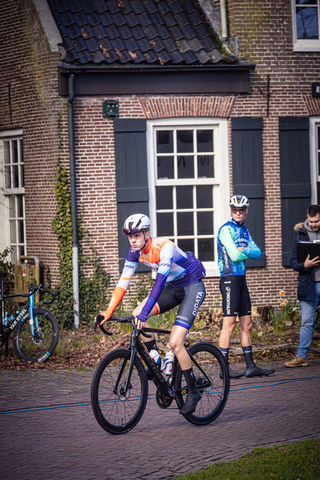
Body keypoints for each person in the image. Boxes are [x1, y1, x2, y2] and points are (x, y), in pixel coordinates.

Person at [99, 213, 206, 414]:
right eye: (129, 236)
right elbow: (123, 283)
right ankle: (156, 358)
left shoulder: (164, 247)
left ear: (147, 234)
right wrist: (108, 311)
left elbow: (160, 282)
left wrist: (146, 311)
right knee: (136, 313)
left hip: (192, 285)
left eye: (137, 235)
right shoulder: (134, 252)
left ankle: (193, 392)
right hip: (173, 287)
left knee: (175, 342)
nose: (132, 240)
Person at [217, 195, 275, 378]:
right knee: (229, 324)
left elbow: (258, 253)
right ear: (231, 210)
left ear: (246, 211)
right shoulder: (225, 230)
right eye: (235, 210)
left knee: (247, 324)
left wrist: (244, 250)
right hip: (229, 279)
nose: (238, 213)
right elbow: (234, 256)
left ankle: (250, 366)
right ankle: (223, 369)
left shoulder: (245, 231)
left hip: (241, 279)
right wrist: (243, 252)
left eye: (241, 210)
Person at [285, 204, 320, 368]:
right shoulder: (300, 234)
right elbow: (292, 262)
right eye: (311, 221)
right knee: (307, 321)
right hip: (308, 285)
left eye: (317, 221)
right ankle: (302, 356)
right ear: (307, 217)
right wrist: (305, 264)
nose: (314, 224)